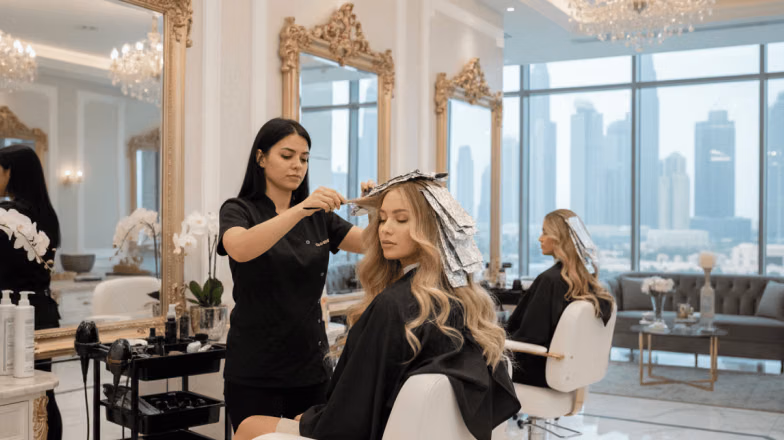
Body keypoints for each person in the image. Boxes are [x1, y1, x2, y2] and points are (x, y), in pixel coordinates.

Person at [234, 171, 521, 440]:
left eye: (401, 219)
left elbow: (350, 417)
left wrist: (310, 421)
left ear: (429, 227)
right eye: (382, 219)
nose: (385, 230)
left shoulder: (393, 306)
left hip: (364, 431)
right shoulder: (457, 298)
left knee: (248, 426)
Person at [218, 118, 372, 432]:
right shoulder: (239, 210)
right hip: (255, 370)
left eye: (303, 159)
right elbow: (240, 248)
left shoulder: (319, 217)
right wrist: (301, 209)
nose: (297, 166)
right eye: (286, 156)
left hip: (311, 369)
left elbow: (371, 244)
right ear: (261, 158)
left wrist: (377, 209)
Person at [506, 209, 614, 388]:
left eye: (545, 232)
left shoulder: (551, 280)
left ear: (560, 239)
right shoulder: (588, 284)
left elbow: (530, 338)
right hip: (565, 372)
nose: (540, 238)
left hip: (533, 370)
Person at [0, 144, 63, 440]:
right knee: (43, 396)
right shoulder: (47, 214)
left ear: (10, 173)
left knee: (14, 399)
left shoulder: (7, 216)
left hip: (11, 315)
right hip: (44, 313)